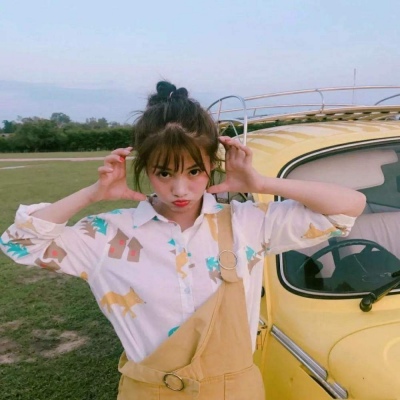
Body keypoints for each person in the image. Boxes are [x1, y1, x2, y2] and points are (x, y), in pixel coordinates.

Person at [0, 81, 366, 399]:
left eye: (194, 171)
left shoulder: (249, 224)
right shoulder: (107, 234)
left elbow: (347, 208)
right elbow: (19, 242)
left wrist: (261, 183)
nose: (180, 189)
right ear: (144, 168)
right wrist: (93, 193)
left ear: (212, 165)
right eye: (164, 173)